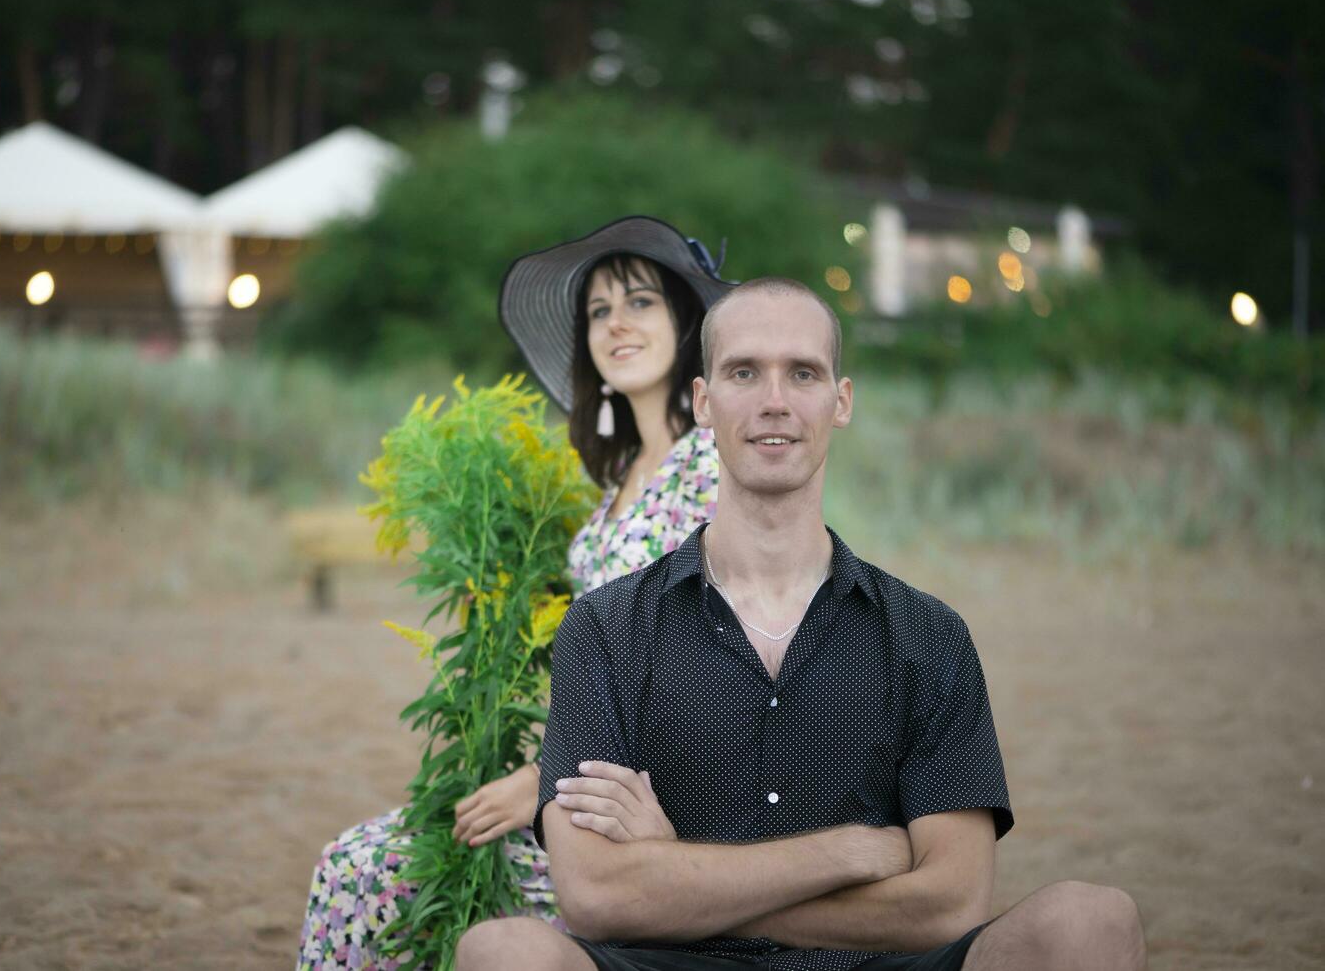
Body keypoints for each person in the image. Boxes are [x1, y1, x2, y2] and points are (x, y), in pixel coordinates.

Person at [455, 277, 1148, 971]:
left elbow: (951, 901)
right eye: (744, 372)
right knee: (501, 950)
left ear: (840, 401)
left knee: (1092, 921)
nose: (774, 402)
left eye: (804, 373)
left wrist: (674, 872)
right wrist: (846, 853)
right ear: (703, 401)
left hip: (868, 967)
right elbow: (596, 898)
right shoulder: (604, 629)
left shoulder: (928, 636)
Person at [297, 217, 735, 971]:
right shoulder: (616, 484)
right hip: (587, 780)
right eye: (598, 311)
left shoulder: (710, 468)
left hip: (661, 803)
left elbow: (704, 662)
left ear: (689, 324)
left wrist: (540, 786)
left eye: (640, 303)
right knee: (361, 862)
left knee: (366, 871)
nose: (616, 325)